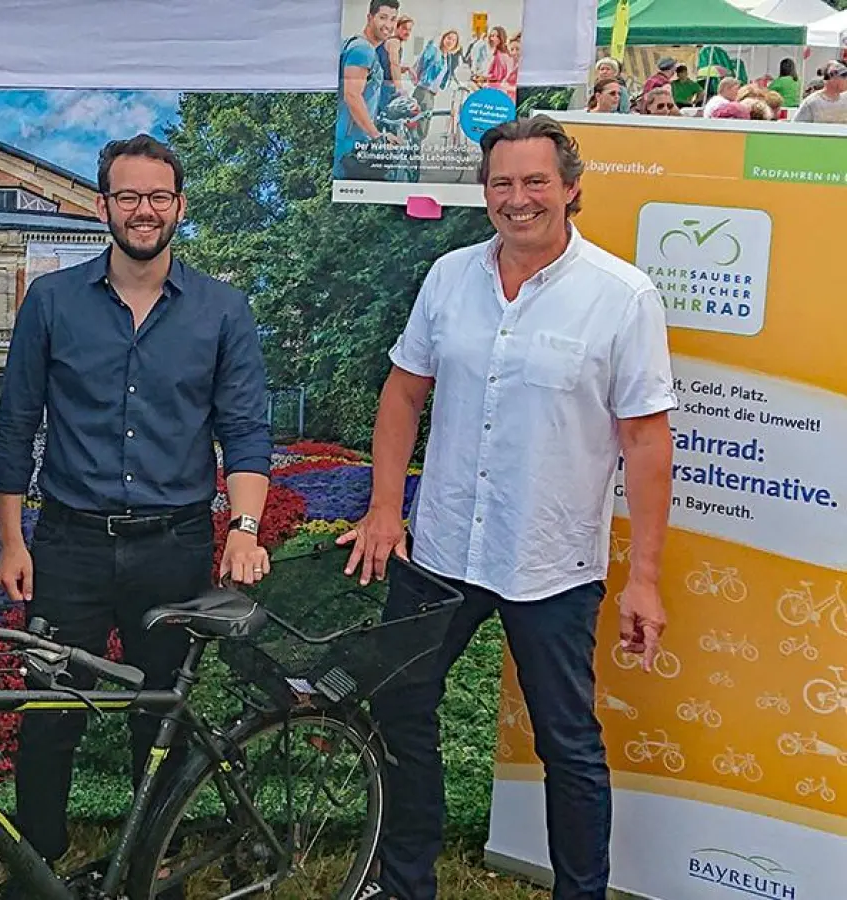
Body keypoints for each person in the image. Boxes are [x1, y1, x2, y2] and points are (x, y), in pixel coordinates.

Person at [339, 115, 675, 900]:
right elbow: (403, 392)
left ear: (571, 190)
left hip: (550, 560)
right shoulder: (449, 275)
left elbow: (647, 443)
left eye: (535, 183)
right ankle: (405, 881)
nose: (517, 200)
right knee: (400, 709)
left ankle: (580, 892)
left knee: (569, 745)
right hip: (445, 548)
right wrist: (386, 507)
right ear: (483, 191)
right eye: (501, 184)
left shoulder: (623, 297)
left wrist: (645, 577)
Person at [0, 133, 273, 888]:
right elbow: (15, 425)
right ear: (102, 204)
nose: (143, 211)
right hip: (68, 546)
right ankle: (37, 865)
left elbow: (244, 433)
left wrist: (242, 531)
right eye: (127, 196)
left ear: (178, 206)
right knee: (50, 715)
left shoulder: (223, 311)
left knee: (162, 722)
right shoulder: (51, 302)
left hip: (174, 548)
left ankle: (145, 867)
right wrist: (12, 541)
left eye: (157, 197)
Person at [335, 0, 403, 180]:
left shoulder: (353, 44)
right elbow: (352, 95)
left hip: (350, 143)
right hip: (348, 149)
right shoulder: (363, 50)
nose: (388, 25)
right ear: (370, 17)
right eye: (383, 18)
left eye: (393, 20)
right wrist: (376, 137)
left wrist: (379, 133)